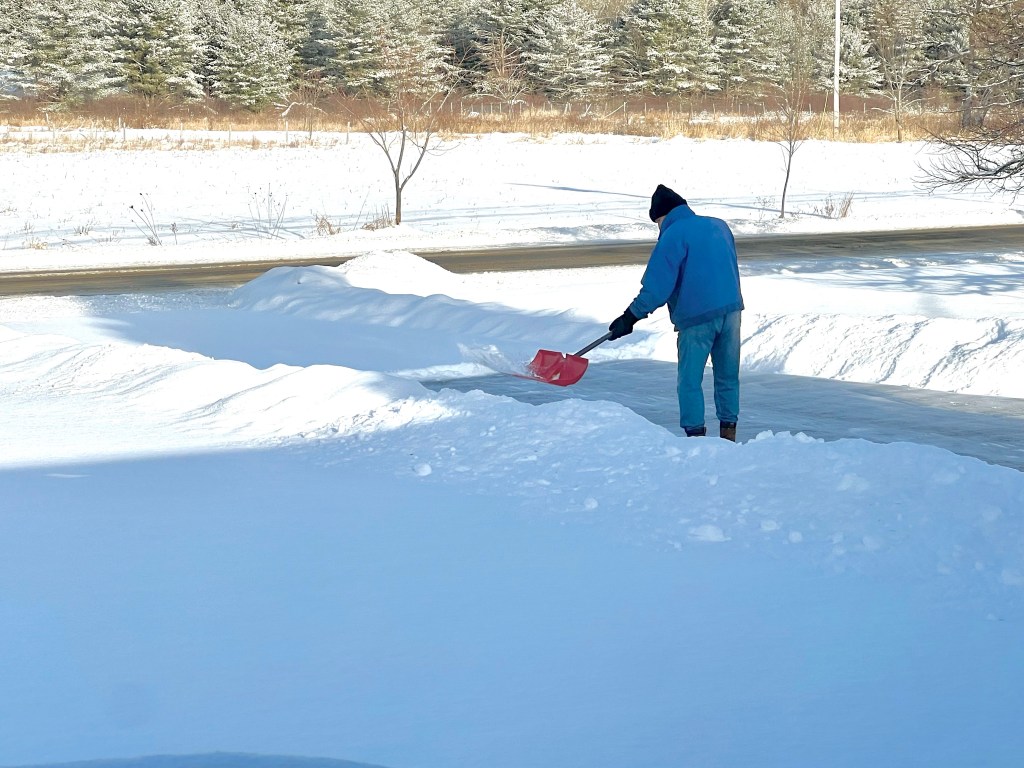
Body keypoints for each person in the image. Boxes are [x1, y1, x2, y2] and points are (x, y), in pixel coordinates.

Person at [607, 184, 744, 441]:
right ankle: (729, 436)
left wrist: (630, 316)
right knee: (727, 376)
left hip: (697, 318)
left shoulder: (673, 235)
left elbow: (657, 287)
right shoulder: (719, 226)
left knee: (690, 381)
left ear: (663, 216)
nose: (659, 228)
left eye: (657, 222)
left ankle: (696, 439)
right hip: (732, 310)